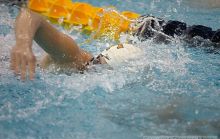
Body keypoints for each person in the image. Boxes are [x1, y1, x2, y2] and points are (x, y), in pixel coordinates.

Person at [10, 7, 220, 81]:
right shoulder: (73, 57)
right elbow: (29, 14)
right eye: (100, 67)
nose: (99, 72)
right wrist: (22, 43)